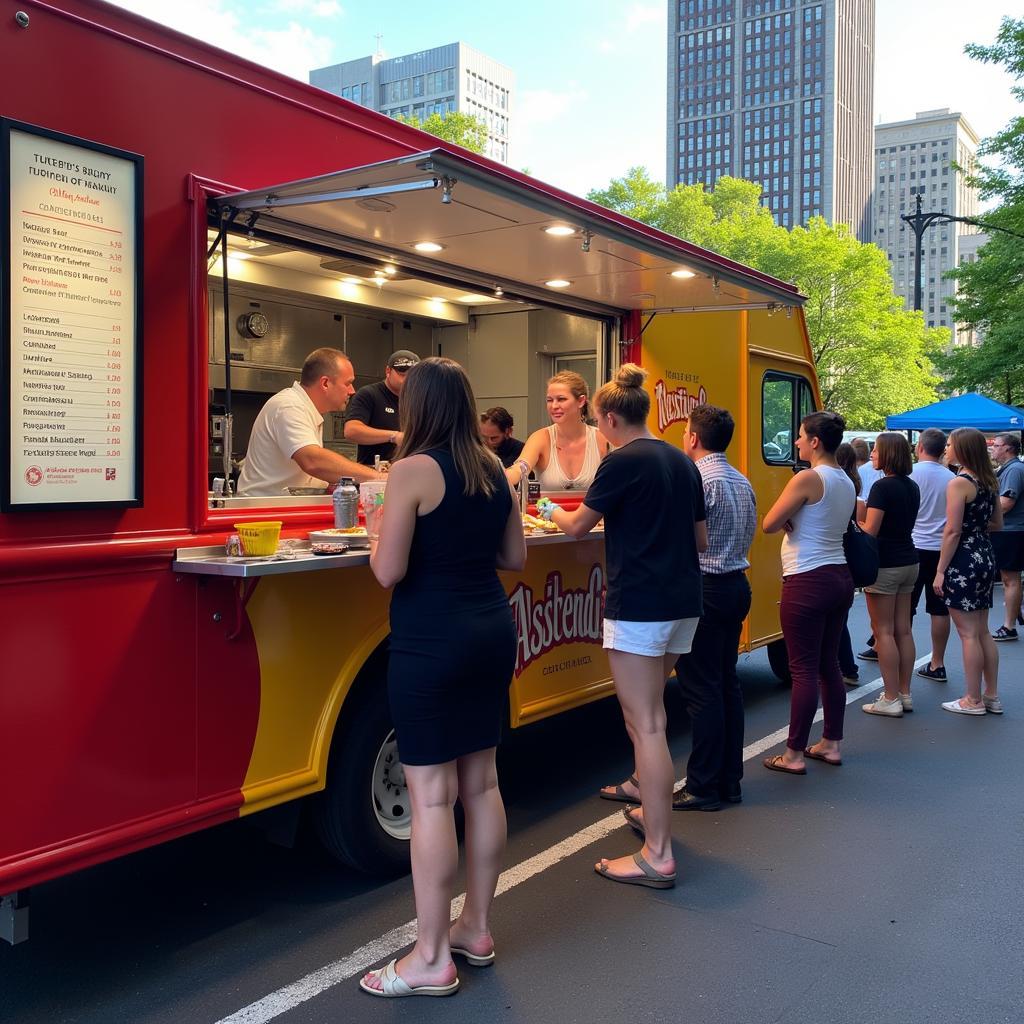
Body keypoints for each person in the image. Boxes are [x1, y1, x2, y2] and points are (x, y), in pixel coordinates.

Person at [360, 357, 526, 999]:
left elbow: (386, 570)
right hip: (490, 629)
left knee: (431, 795)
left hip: (431, 639)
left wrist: (381, 530)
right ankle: (475, 929)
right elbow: (514, 557)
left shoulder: (411, 470)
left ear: (416, 407)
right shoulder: (493, 469)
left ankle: (429, 958)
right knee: (482, 784)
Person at [540, 364, 706, 889]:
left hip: (640, 605)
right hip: (684, 602)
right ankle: (652, 818)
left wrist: (546, 507)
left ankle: (658, 853)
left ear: (610, 418)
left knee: (646, 725)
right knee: (653, 717)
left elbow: (577, 526)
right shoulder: (683, 462)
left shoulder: (619, 463)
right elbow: (701, 541)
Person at [672, 404, 757, 809]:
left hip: (704, 586)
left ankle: (703, 784)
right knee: (726, 684)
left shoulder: (696, 480)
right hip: (736, 584)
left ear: (692, 437)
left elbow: (684, 539)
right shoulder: (741, 481)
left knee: (701, 690)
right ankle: (730, 778)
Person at [762, 411, 855, 773]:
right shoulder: (845, 480)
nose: (796, 442)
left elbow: (769, 523)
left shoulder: (807, 478)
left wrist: (788, 518)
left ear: (815, 441)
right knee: (828, 664)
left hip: (806, 578)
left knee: (801, 669)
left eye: (800, 436)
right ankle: (831, 742)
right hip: (839, 575)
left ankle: (794, 753)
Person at [237, 347, 381, 496]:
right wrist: (379, 478)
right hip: (264, 511)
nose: (352, 391)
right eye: (347, 383)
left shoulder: (307, 408)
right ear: (325, 383)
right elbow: (313, 461)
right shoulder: (290, 405)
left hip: (283, 506)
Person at [934, 427, 1003, 716]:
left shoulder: (959, 483)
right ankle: (991, 695)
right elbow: (998, 523)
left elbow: (952, 530)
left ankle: (972, 699)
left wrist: (940, 571)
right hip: (985, 553)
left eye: (950, 444)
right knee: (982, 630)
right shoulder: (989, 480)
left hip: (963, 557)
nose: (947, 449)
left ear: (961, 450)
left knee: (968, 634)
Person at [860, 433, 920, 718]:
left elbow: (871, 530)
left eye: (876, 450)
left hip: (884, 564)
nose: (872, 454)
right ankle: (905, 693)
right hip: (909, 559)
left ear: (888, 455)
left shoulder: (882, 487)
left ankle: (891, 697)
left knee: (882, 632)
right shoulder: (912, 486)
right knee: (903, 629)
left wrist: (854, 521)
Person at [505, 370, 610, 491]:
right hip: (549, 510)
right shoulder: (540, 437)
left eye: (561, 399)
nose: (554, 406)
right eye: (549, 400)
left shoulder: (601, 438)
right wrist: (504, 474)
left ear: (581, 401)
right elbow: (521, 467)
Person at [909, 428, 955, 681]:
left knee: (906, 609)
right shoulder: (952, 478)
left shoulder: (910, 474)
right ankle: (937, 662)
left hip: (913, 546)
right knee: (939, 610)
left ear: (920, 447)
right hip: (942, 550)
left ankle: (902, 660)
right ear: (942, 450)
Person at [344, 349, 420, 465]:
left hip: (409, 468)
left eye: (413, 376)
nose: (407, 380)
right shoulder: (369, 394)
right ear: (388, 371)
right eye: (402, 375)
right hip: (373, 471)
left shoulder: (418, 399)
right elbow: (351, 431)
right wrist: (394, 436)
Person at [989, 432, 1024, 641]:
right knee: (1008, 577)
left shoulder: (1014, 470)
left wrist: (984, 517)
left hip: (1012, 530)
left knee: (1011, 579)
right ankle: (1013, 614)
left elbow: (1006, 502)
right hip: (1008, 530)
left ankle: (1009, 625)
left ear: (1008, 448)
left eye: (996, 445)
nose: (993, 448)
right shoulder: (1009, 469)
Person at [834, 442, 863, 686]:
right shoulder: (853, 485)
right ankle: (847, 666)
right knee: (840, 618)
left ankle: (846, 667)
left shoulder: (837, 484)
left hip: (835, 553)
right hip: (849, 556)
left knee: (837, 620)